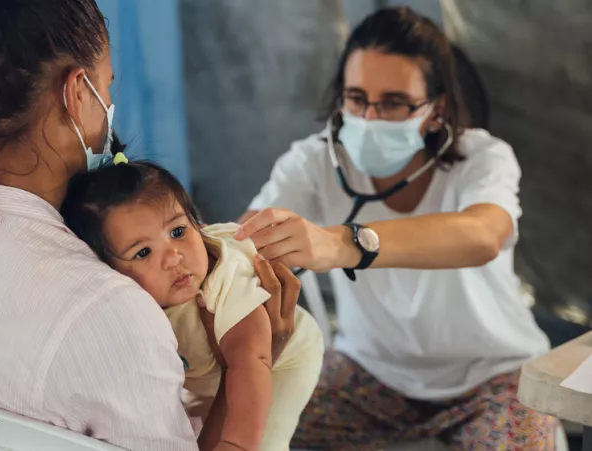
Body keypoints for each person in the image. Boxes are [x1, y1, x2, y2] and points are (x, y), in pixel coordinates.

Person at [0, 1, 303, 450]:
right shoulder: (111, 309)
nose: (109, 103)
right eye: (107, 85)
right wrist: (251, 360)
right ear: (78, 93)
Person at [237, 7, 557, 450]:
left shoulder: (483, 158)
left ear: (435, 109)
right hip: (369, 373)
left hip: (495, 375)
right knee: (255, 424)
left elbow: (483, 236)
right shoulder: (313, 163)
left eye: (393, 103)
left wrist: (344, 243)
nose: (369, 117)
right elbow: (243, 245)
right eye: (355, 98)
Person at [61, 159, 324, 451]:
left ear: (197, 224)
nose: (174, 256)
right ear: (109, 269)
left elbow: (253, 360)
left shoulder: (225, 275)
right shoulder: (125, 301)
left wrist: (236, 444)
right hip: (209, 373)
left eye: (177, 232)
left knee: (264, 442)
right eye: (144, 252)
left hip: (279, 359)